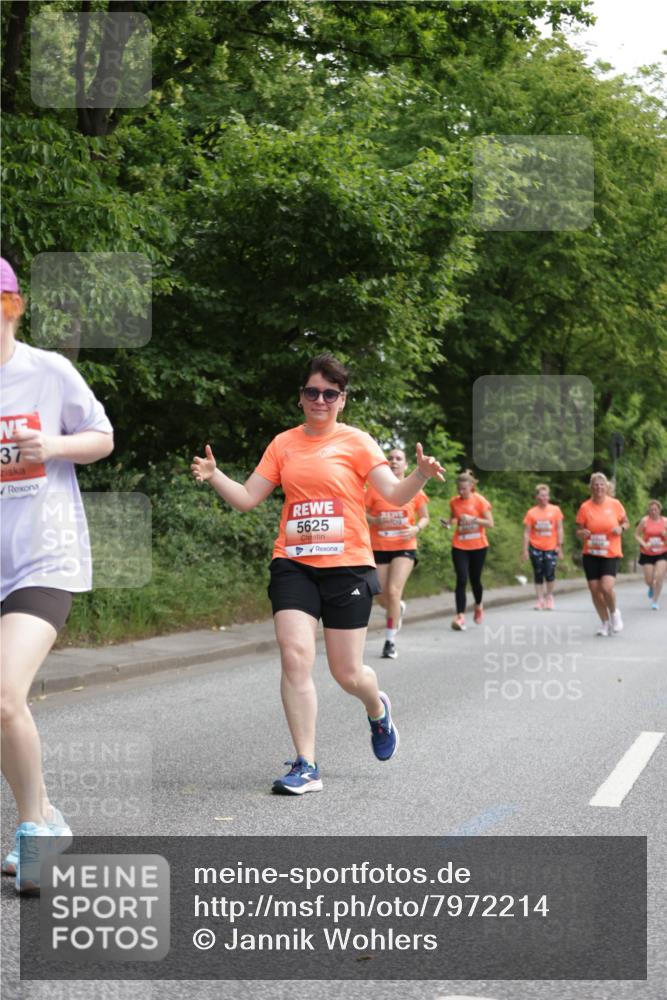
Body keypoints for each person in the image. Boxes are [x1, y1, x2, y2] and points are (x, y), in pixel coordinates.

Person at [191, 353, 444, 794]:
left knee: (348, 674)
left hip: (347, 566)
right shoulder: (283, 444)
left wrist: (419, 476)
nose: (320, 400)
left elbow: (394, 494)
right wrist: (215, 476)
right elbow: (249, 498)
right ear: (301, 397)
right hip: (293, 563)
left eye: (330, 393)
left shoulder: (358, 442)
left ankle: (377, 708)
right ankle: (306, 764)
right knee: (294, 655)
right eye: (313, 392)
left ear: (342, 400)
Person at [0, 257, 114, 892]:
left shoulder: (48, 372)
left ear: (11, 306)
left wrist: (55, 447)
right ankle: (46, 814)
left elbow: (102, 435)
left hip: (44, 558)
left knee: (3, 692)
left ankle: (33, 830)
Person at [365, 447, 429, 659]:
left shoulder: (415, 490)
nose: (393, 461)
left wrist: (416, 528)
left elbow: (425, 517)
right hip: (380, 547)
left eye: (398, 458)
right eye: (390, 458)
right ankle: (397, 607)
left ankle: (390, 641)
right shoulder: (374, 489)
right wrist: (374, 520)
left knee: (393, 591)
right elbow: (360, 513)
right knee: (382, 596)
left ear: (406, 464)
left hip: (405, 546)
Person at [575, 472, 629, 636]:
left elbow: (626, 522)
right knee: (594, 589)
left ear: (607, 487)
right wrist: (582, 533)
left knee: (606, 588)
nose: (599, 487)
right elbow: (578, 529)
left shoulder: (615, 504)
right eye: (596, 485)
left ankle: (614, 613)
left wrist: (621, 528)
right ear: (591, 487)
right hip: (591, 553)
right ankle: (604, 623)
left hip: (610, 552)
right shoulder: (585, 507)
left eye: (602, 484)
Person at [441, 470, 493, 631]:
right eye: (459, 488)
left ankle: (478, 605)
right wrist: (448, 523)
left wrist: (473, 519)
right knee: (461, 579)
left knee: (475, 579)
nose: (461, 491)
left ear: (471, 487)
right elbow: (454, 518)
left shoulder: (480, 501)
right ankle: (460, 616)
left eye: (464, 488)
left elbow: (490, 523)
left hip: (478, 546)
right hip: (459, 545)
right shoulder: (454, 502)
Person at [522, 483, 564, 610]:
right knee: (538, 573)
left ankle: (549, 597)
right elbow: (526, 532)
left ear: (549, 497)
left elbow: (560, 528)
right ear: (536, 497)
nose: (544, 498)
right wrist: (524, 550)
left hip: (551, 547)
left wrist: (559, 545)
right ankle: (540, 599)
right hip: (535, 547)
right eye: (541, 496)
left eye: (546, 495)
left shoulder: (555, 510)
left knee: (550, 573)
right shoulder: (531, 513)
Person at [634, 499, 667, 610]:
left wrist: (665, 534)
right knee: (649, 580)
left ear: (659, 510)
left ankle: (655, 601)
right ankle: (651, 586)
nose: (653, 511)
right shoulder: (644, 521)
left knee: (659, 576)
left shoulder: (665, 521)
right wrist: (644, 544)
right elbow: (637, 535)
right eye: (651, 509)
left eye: (655, 509)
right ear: (649, 510)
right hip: (647, 553)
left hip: (662, 552)